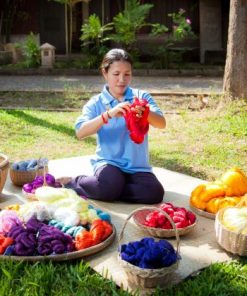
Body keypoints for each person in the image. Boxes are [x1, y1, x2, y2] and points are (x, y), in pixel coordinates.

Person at [62, 48, 166, 204]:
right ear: (105, 73)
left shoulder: (141, 97)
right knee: (110, 183)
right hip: (109, 164)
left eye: (127, 74)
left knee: (154, 193)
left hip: (137, 167)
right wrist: (107, 115)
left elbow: (161, 123)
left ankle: (110, 189)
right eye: (116, 74)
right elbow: (80, 132)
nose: (122, 79)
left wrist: (146, 112)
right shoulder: (96, 103)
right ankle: (74, 182)